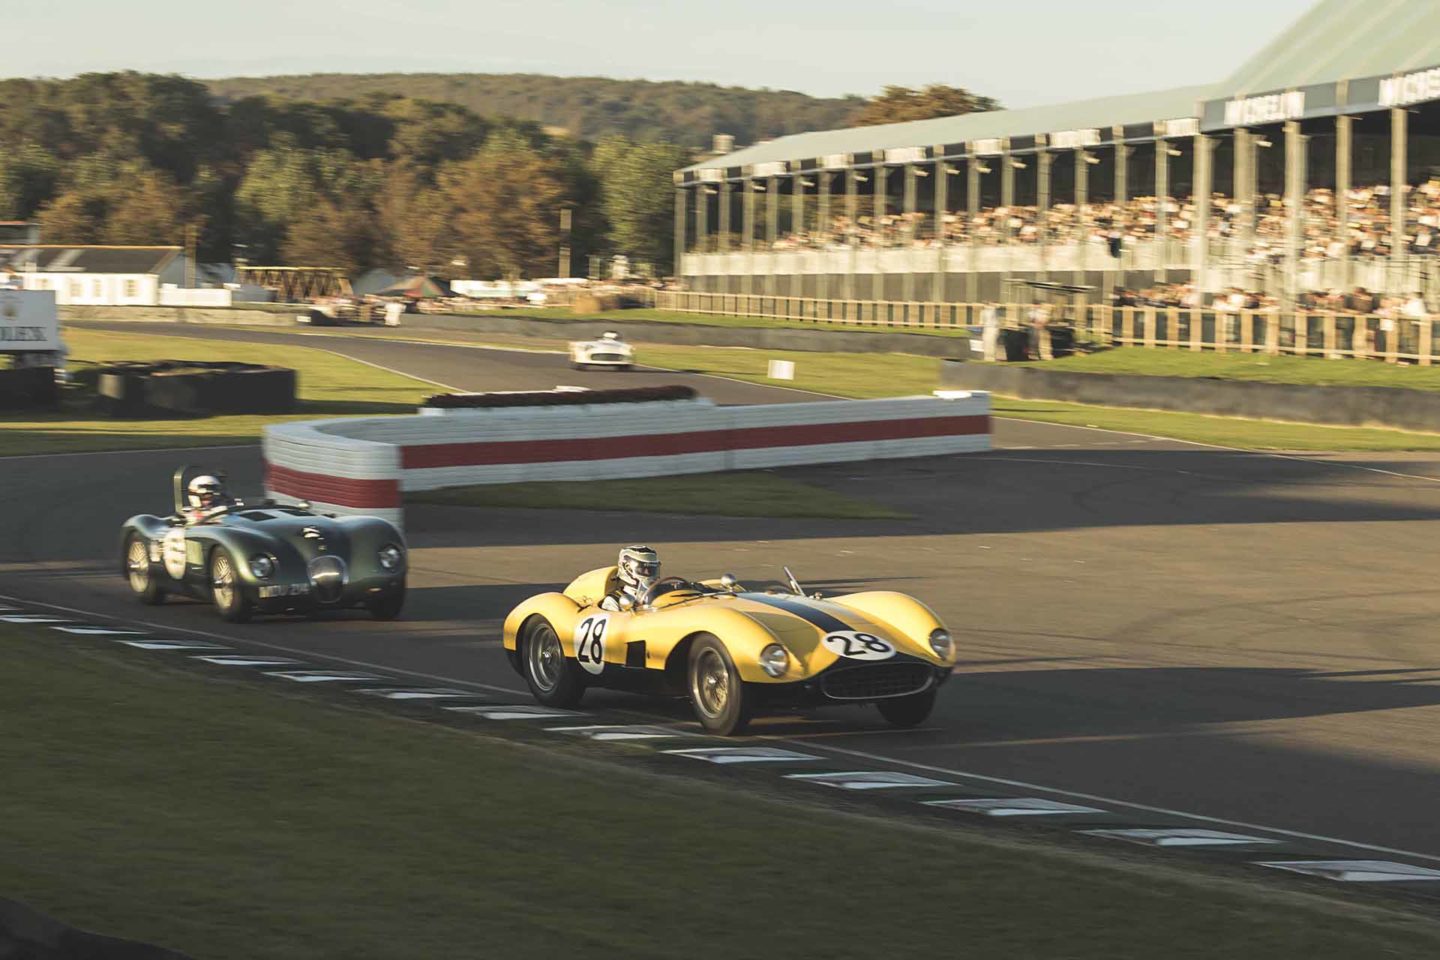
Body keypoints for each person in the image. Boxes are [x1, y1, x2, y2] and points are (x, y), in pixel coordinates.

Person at [601, 544, 661, 611]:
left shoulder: (660, 593)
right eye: (642, 569)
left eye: (651, 569)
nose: (648, 573)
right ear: (628, 568)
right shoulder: (613, 601)